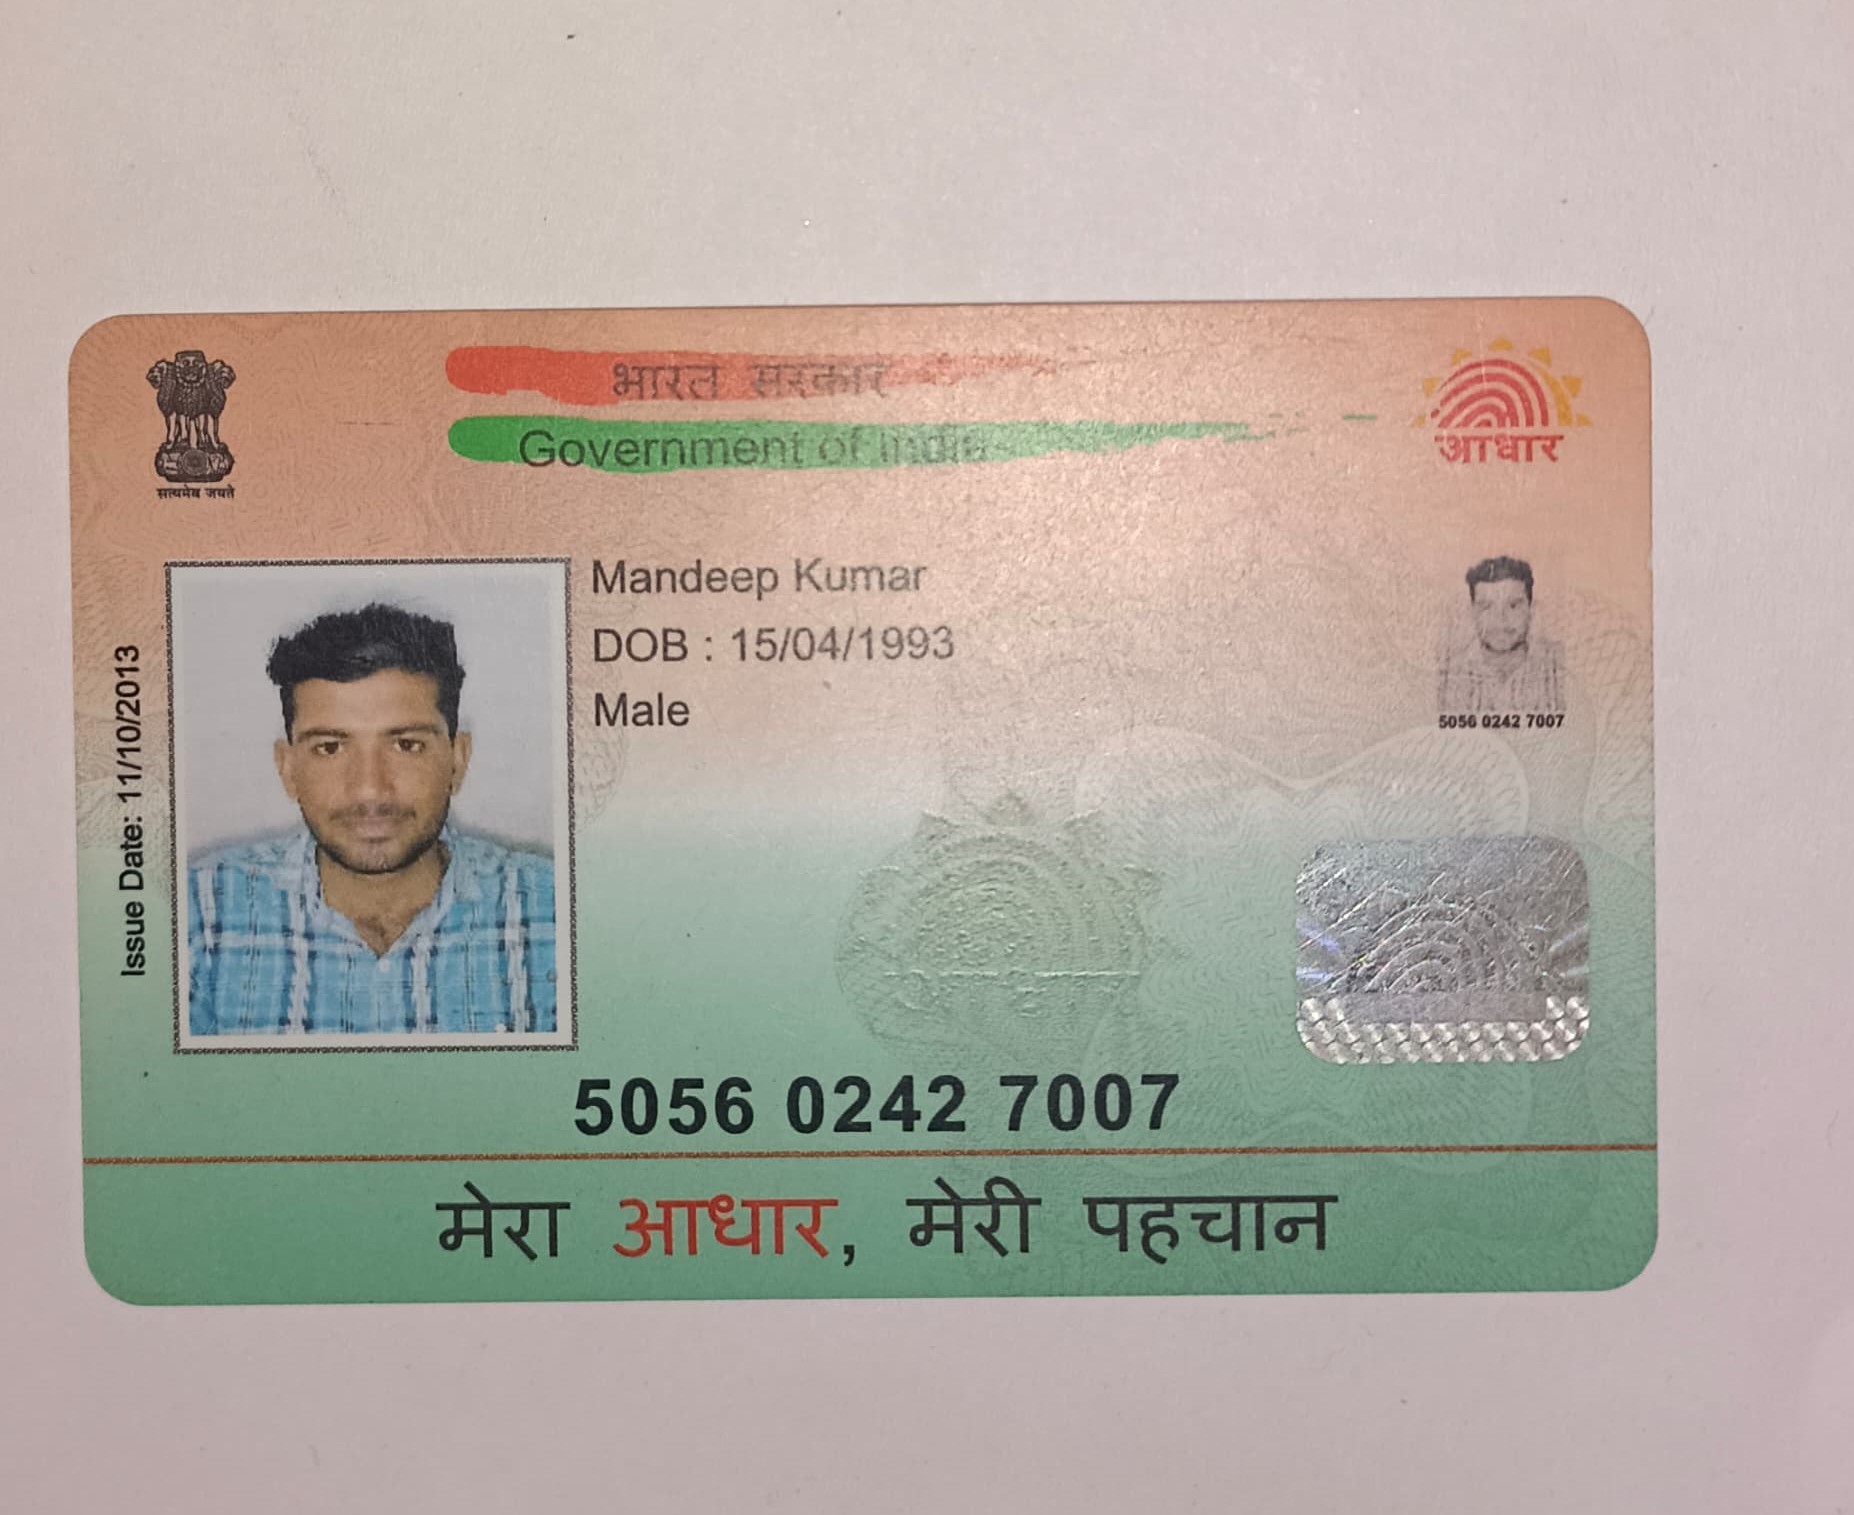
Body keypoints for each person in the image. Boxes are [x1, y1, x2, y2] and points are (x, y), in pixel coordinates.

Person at [187, 602, 557, 1035]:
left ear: (458, 760)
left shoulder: (553, 913)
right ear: (287, 769)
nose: (370, 790)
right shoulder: (200, 916)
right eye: (330, 748)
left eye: (406, 745)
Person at [1437, 555, 1566, 717]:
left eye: (1513, 606)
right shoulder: (1449, 673)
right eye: (1486, 607)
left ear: (1531, 609)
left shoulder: (1559, 667)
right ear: (1472, 612)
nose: (1500, 619)